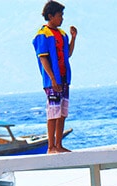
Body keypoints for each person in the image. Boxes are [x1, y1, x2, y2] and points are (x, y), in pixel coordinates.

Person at [33, 1, 78, 153]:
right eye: (59, 16)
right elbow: (43, 58)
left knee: (62, 112)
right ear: (50, 16)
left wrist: (73, 38)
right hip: (52, 80)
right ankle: (51, 146)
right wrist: (52, 78)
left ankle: (58, 144)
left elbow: (68, 53)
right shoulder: (43, 35)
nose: (62, 19)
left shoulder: (62, 34)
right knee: (53, 112)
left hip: (64, 78)